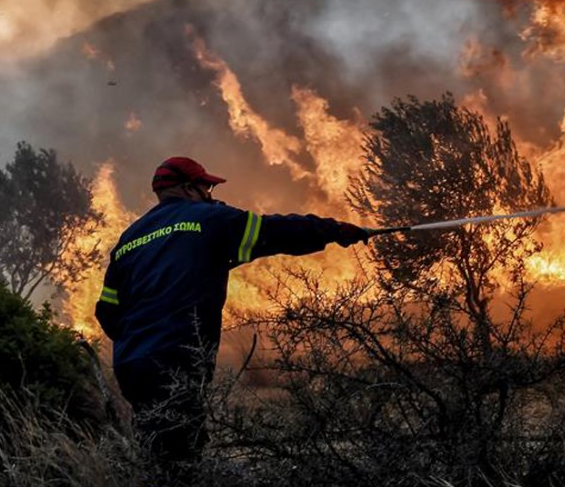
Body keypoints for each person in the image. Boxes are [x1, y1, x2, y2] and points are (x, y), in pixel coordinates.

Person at [94, 156, 370, 481]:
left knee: (156, 447)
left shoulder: (129, 239)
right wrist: (335, 230)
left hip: (131, 363)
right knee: (183, 454)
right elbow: (275, 231)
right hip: (177, 355)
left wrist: (137, 341)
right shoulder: (208, 219)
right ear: (188, 188)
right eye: (207, 185)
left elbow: (106, 311)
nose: (210, 192)